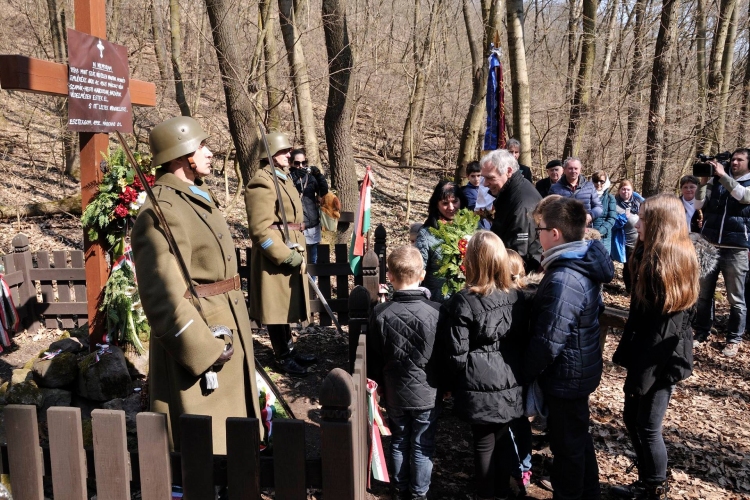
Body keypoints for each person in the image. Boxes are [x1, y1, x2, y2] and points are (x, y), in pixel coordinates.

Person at [132, 116, 262, 454]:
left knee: (233, 432)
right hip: (202, 332)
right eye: (201, 146)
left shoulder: (195, 195)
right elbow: (161, 297)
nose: (209, 152)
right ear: (180, 155)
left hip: (227, 321)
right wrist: (204, 350)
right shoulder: (162, 210)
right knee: (205, 444)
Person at [522, 197, 614, 499]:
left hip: (567, 376)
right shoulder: (573, 263)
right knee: (577, 441)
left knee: (568, 451)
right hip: (576, 370)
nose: (538, 236)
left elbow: (549, 341)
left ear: (555, 234)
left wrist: (523, 372)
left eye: (540, 229)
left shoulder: (565, 277)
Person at [610, 194, 701, 500]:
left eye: (645, 218)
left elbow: (666, 330)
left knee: (648, 426)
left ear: (661, 224)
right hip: (644, 352)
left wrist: (644, 375)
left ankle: (654, 487)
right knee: (631, 419)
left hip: (659, 360)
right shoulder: (648, 254)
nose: (638, 222)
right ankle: (647, 478)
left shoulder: (670, 265)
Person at [440, 230, 528, 500]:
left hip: (478, 381)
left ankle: (487, 494)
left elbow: (456, 353)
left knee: (484, 443)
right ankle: (501, 491)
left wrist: (449, 384)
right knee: (501, 440)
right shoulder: (517, 298)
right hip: (509, 379)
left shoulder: (463, 302)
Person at [367, 245, 442, 500]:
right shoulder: (437, 312)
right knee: (423, 443)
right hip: (427, 392)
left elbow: (375, 356)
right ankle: (419, 493)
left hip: (395, 389)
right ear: (422, 275)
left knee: (399, 439)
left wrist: (378, 386)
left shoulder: (380, 313)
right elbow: (444, 355)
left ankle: (399, 489)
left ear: (390, 276)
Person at [245, 131, 317, 377]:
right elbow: (259, 229)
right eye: (284, 151)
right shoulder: (262, 181)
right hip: (275, 256)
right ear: (270, 154)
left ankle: (289, 350)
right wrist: (283, 255)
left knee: (284, 306)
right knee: (276, 308)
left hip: (291, 246)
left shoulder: (282, 178)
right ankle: (282, 357)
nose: (290, 154)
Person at [693, 148, 750, 356]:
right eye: (733, 159)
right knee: (703, 294)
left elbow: (743, 197)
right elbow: (698, 203)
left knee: (736, 298)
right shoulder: (716, 181)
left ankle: (733, 339)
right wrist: (704, 181)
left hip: (736, 248)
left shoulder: (743, 183)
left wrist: (723, 176)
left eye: (740, 160)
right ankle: (701, 332)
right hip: (710, 244)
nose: (734, 163)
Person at [481, 149, 543, 273]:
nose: (485, 184)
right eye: (484, 178)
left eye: (490, 178)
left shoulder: (521, 205)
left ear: (508, 171)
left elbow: (519, 254)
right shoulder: (510, 192)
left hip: (518, 275)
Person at [415, 181, 467, 302]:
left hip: (467, 298)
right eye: (445, 203)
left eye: (455, 201)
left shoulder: (472, 227)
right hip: (437, 302)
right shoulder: (426, 234)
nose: (451, 207)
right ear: (436, 205)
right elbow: (417, 271)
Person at [289, 149, 329, 264]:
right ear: (291, 163)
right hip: (297, 225)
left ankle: (312, 281)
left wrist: (318, 175)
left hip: (312, 223)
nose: (300, 166)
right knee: (299, 259)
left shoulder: (310, 177)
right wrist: (295, 177)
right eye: (297, 163)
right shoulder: (287, 178)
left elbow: (323, 191)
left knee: (313, 259)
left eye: (303, 162)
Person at [549, 157, 603, 225]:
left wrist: (590, 216)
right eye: (570, 168)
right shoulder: (555, 188)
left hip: (584, 228)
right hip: (564, 228)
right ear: (564, 170)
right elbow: (550, 210)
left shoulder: (589, 186)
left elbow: (599, 207)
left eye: (576, 168)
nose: (573, 171)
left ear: (580, 170)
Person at [615, 180, 641, 293]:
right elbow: (614, 223)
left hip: (640, 239)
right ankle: (630, 289)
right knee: (629, 266)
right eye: (623, 189)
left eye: (628, 189)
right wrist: (624, 217)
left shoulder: (637, 202)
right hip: (626, 241)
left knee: (639, 265)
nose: (626, 191)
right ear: (619, 190)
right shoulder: (615, 204)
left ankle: (638, 288)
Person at [591, 171, 618, 255]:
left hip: (603, 237)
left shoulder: (610, 198)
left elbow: (612, 218)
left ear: (605, 182)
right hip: (587, 235)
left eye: (601, 181)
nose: (598, 183)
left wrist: (599, 232)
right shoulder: (587, 196)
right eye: (596, 181)